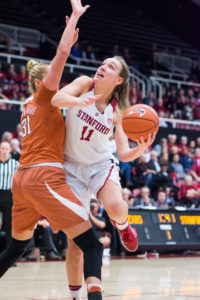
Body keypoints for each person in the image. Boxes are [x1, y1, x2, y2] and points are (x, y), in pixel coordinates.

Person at [0, 2, 104, 300]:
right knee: (93, 245)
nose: (60, 86)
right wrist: (73, 21)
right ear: (40, 82)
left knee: (16, 246)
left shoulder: (26, 107)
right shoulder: (45, 96)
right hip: (44, 176)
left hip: (21, 181)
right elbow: (60, 54)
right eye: (54, 81)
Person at [52, 55, 155, 299]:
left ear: (119, 80)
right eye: (104, 63)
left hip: (100, 165)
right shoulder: (83, 83)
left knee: (116, 205)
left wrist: (139, 150)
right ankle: (75, 295)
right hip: (71, 169)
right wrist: (79, 101)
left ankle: (124, 227)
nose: (103, 66)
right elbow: (56, 98)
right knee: (75, 245)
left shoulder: (118, 109)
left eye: (110, 66)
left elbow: (122, 152)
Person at [0, 141, 18, 247]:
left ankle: (9, 256)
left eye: (6, 149)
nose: (4, 151)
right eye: (2, 148)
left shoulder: (16, 164)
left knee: (9, 226)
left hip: (9, 196)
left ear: (10, 150)